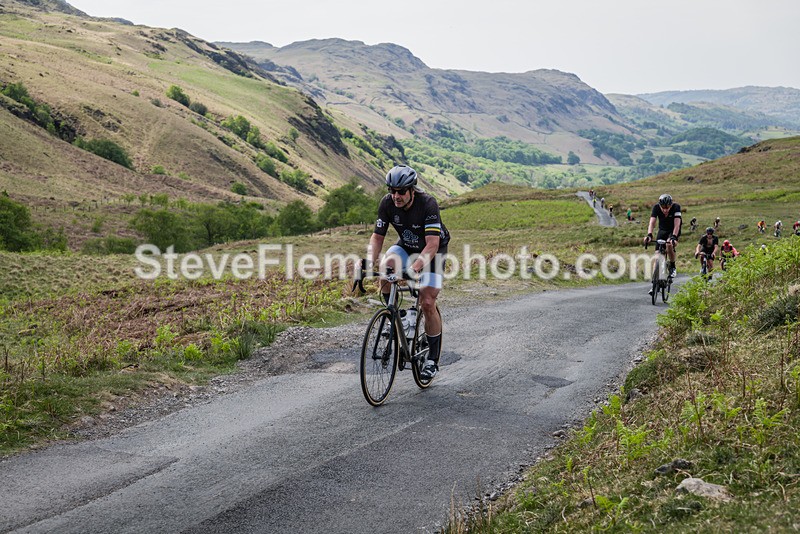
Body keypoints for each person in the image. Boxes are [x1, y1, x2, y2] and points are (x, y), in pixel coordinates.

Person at [368, 165, 450, 380]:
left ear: (412, 190)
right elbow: (378, 237)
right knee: (386, 269)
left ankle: (432, 359)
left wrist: (413, 269)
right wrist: (369, 263)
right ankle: (397, 316)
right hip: (406, 245)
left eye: (401, 191)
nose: (396, 196)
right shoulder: (387, 203)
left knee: (428, 302)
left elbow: (432, 245)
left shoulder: (428, 203)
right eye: (392, 190)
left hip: (433, 250)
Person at [644, 194, 682, 293]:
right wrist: (649, 235)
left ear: (671, 204)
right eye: (663, 207)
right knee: (657, 257)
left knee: (669, 245)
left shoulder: (676, 207)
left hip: (673, 230)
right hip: (662, 231)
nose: (665, 210)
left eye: (667, 207)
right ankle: (654, 283)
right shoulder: (656, 207)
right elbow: (652, 222)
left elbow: (677, 224)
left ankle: (672, 266)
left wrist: (674, 236)